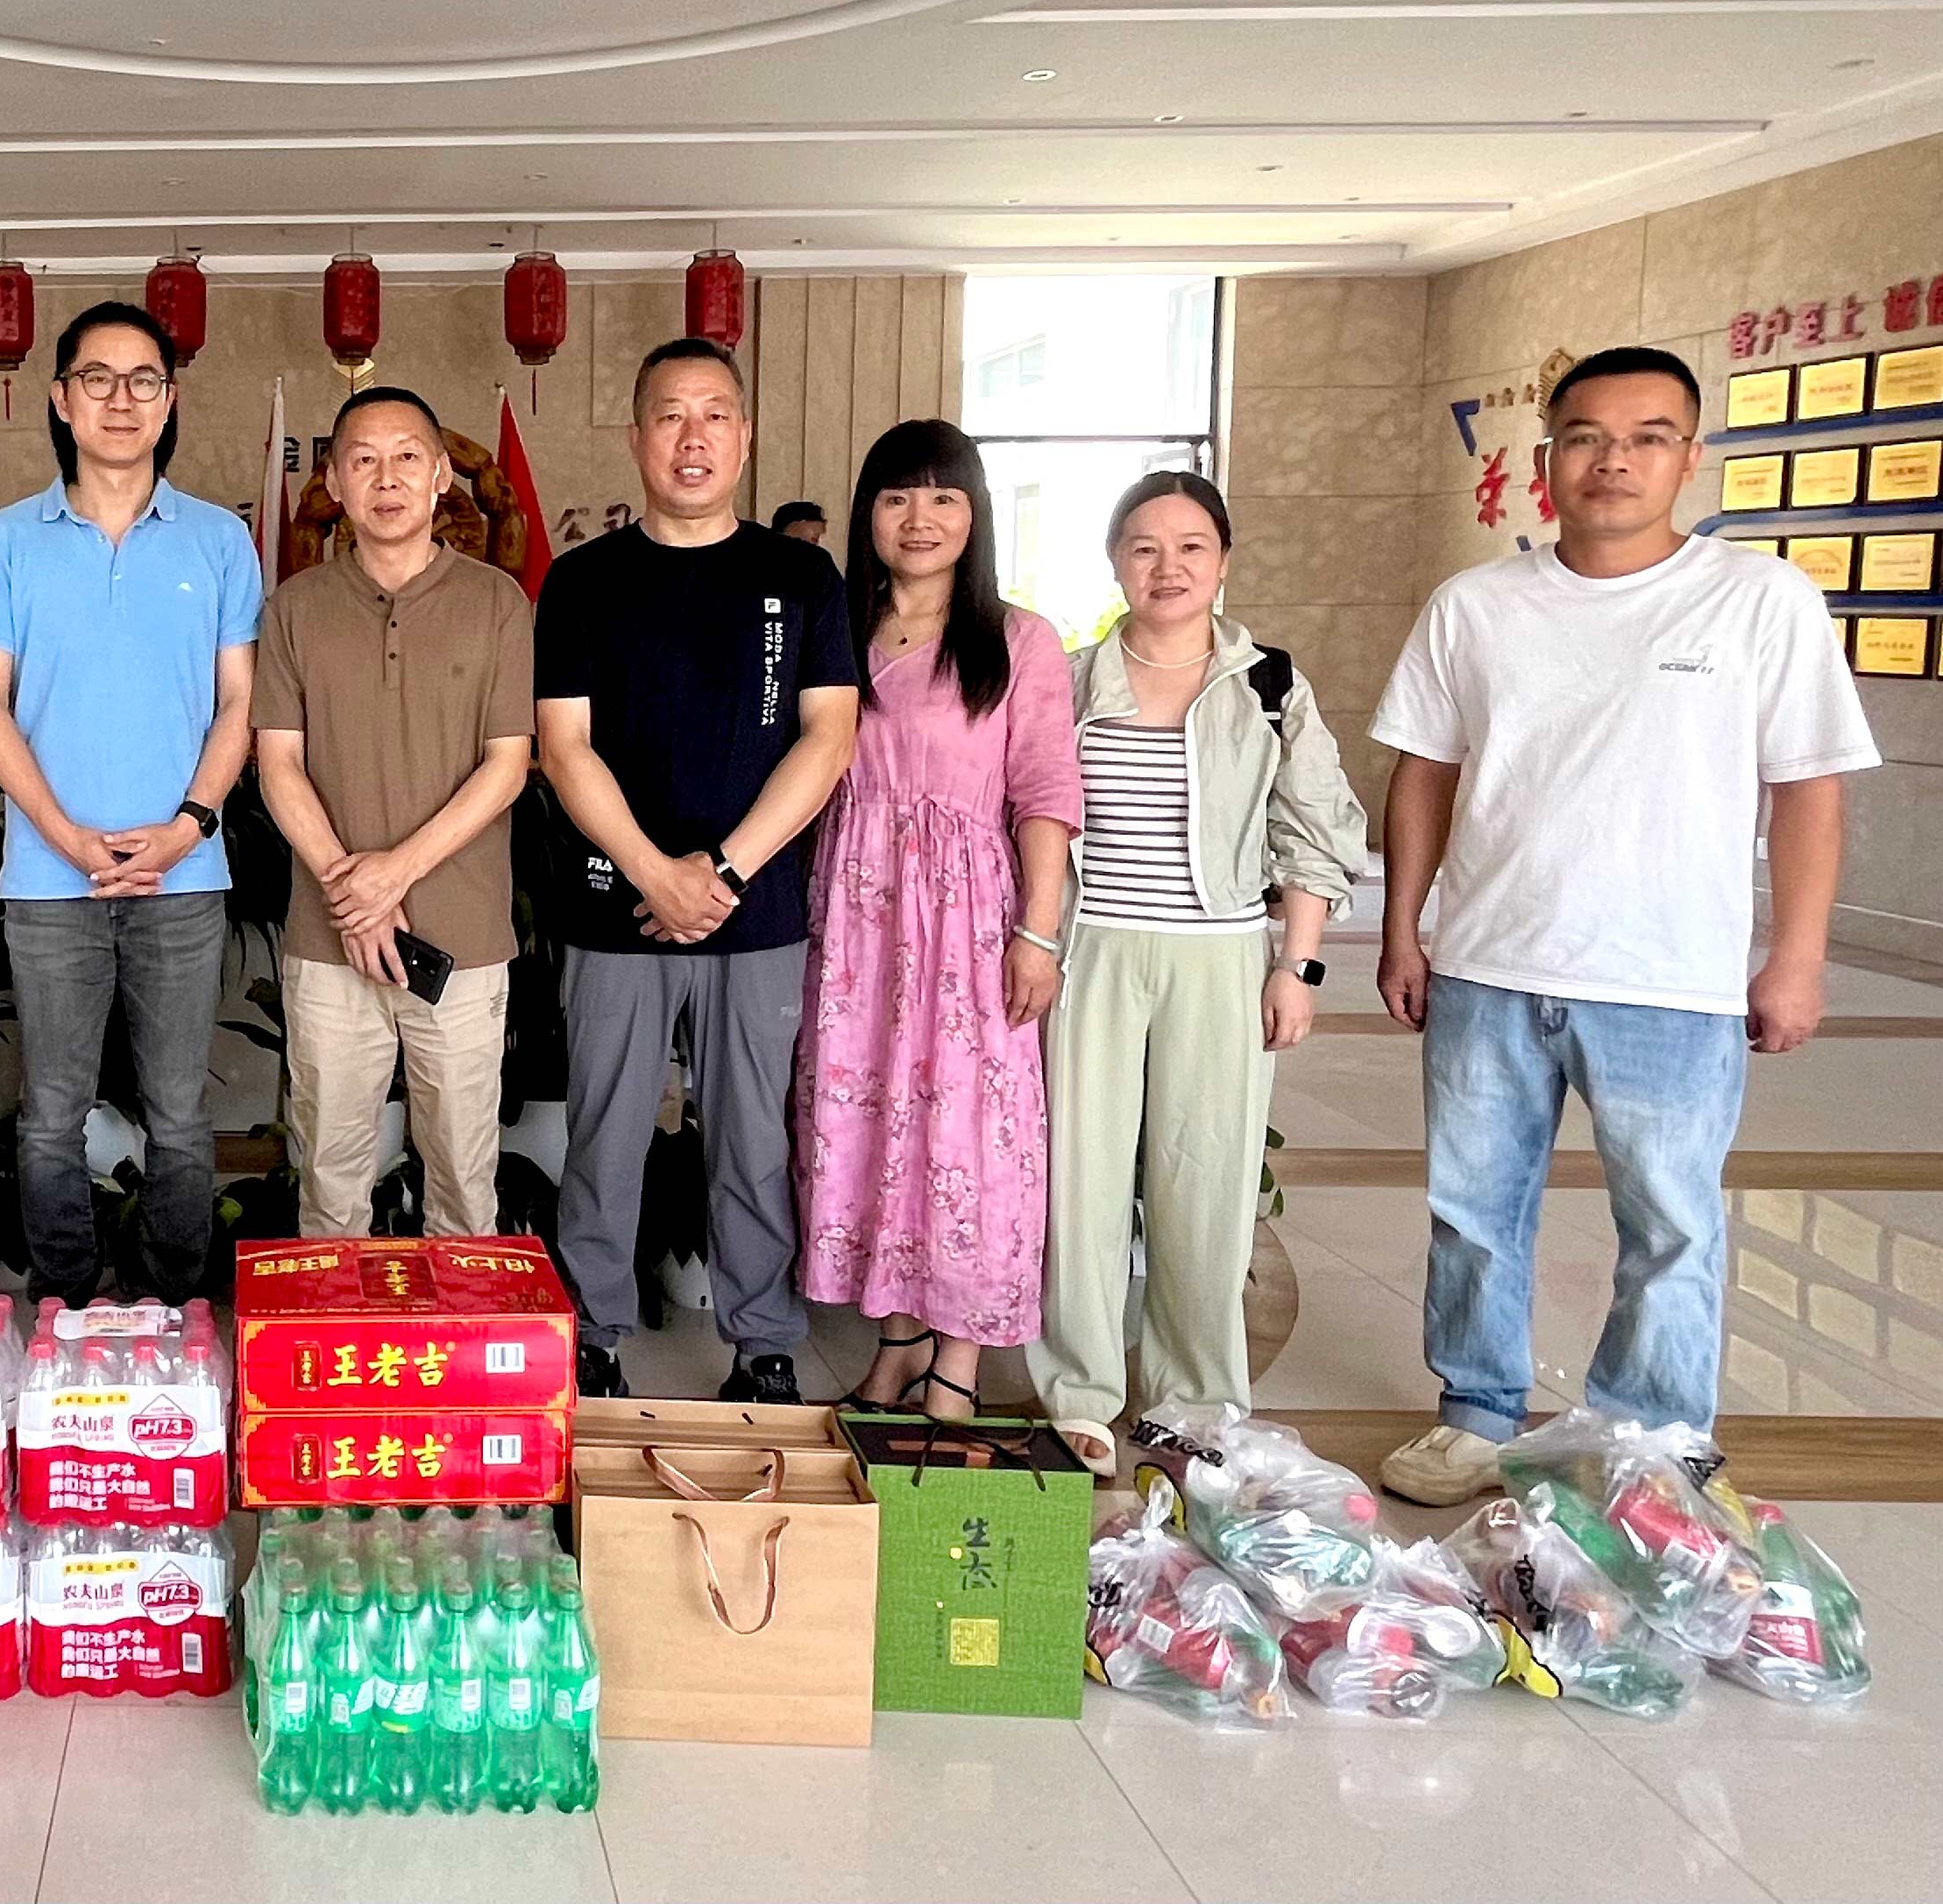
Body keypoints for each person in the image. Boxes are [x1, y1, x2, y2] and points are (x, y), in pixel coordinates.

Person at [1370, 346, 1876, 1503]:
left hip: (1671, 978)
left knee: (1671, 1223)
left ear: (1690, 458)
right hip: (1491, 963)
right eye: (1588, 436)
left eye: (1649, 436)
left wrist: (1796, 957)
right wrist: (1405, 927)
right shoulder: (1478, 605)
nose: (1615, 459)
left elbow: (1809, 786)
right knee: (1473, 1210)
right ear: (1547, 457)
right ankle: (1475, 1412)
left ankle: (1650, 1436)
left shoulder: (1760, 599)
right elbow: (1424, 771)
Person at [537, 339, 858, 1403]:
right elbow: (564, 748)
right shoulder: (583, 581)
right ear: (637, 437)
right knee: (605, 1136)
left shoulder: (800, 579)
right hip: (612, 910)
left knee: (753, 1138)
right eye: (670, 414)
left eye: (714, 413)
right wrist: (653, 872)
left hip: (755, 913)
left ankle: (763, 1344)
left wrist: (719, 871)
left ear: (745, 436)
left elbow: (829, 737)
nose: (693, 435)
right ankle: (592, 1334)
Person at [1026, 472, 1366, 1472]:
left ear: (1222, 561)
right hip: (1093, 950)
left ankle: (1197, 1396)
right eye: (1143, 547)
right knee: (1079, 1179)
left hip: (1219, 953)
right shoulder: (1071, 682)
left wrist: (1297, 964)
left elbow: (1315, 829)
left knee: (1206, 1176)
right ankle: (1081, 1389)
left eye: (1190, 547)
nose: (1166, 567)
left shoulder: (1268, 686)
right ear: (1114, 561)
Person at [0, 301, 261, 1300]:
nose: (120, 400)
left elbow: (240, 702)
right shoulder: (4, 542)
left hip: (184, 877)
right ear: (60, 399)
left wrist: (185, 828)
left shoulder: (219, 541)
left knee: (179, 1116)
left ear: (169, 402)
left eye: (143, 381)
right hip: (50, 882)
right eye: (97, 378)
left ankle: (173, 1310)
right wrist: (64, 835)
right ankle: (66, 1307)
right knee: (51, 1113)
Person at [796, 418, 1081, 1422]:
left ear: (975, 514)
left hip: (967, 925)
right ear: (867, 513)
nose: (919, 519)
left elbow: (1045, 790)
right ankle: (897, 1340)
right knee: (871, 1122)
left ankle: (957, 1359)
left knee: (969, 1135)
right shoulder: (835, 629)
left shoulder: (1018, 640)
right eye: (896, 497)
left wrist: (1037, 933)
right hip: (855, 923)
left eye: (943, 497)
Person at [254, 386, 535, 1236]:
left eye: (408, 456)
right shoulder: (294, 608)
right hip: (328, 941)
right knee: (329, 1184)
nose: (387, 477)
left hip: (464, 941)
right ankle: (342, 1328)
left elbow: (507, 766)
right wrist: (355, 895)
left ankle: (459, 1330)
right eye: (364, 460)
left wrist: (391, 876)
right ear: (335, 482)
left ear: (442, 474)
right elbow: (278, 764)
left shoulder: (498, 603)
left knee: (464, 1185)